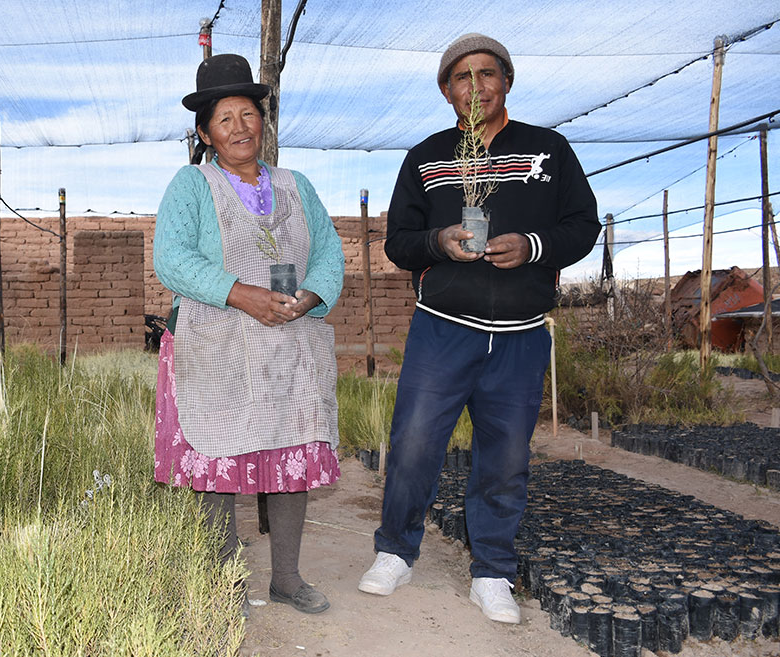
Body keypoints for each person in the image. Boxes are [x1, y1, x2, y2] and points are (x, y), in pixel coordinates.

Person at [357, 34, 600, 624]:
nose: (475, 87)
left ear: (506, 82)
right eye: (461, 78)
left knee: (506, 454)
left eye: (486, 74)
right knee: (415, 443)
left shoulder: (549, 151)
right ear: (447, 91)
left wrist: (534, 246)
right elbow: (397, 243)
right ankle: (395, 551)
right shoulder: (427, 157)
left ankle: (492, 571)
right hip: (443, 329)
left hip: (520, 332)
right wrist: (437, 243)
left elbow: (583, 226)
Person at [153, 53, 345, 615]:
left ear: (264, 121)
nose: (239, 127)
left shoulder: (296, 185)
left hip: (290, 344)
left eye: (248, 114)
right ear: (205, 132)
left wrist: (310, 296)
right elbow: (172, 260)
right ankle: (222, 580)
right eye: (224, 118)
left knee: (290, 458)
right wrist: (246, 295)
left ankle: (286, 578)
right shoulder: (192, 186)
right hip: (217, 345)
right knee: (219, 459)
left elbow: (330, 253)